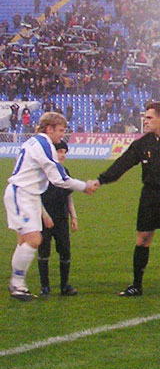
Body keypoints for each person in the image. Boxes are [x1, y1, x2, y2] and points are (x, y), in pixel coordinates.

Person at [98, 101, 160, 297]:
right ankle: (136, 285)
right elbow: (123, 163)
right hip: (149, 196)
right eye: (145, 117)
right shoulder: (143, 143)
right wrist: (101, 180)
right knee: (142, 239)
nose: (145, 121)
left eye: (149, 117)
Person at [6, 112, 98, 300]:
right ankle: (16, 284)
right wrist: (84, 186)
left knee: (26, 240)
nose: (62, 136)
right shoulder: (44, 144)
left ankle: (18, 285)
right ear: (49, 129)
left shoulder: (34, 142)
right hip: (22, 193)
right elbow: (59, 178)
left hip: (29, 195)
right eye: (61, 131)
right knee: (33, 239)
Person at [37, 140, 78, 296]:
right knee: (44, 250)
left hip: (61, 218)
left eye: (64, 152)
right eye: (59, 151)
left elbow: (68, 196)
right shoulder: (42, 172)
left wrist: (74, 216)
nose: (62, 155)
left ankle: (64, 285)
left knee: (65, 250)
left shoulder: (64, 171)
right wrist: (44, 215)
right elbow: (35, 196)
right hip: (44, 219)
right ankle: (45, 287)